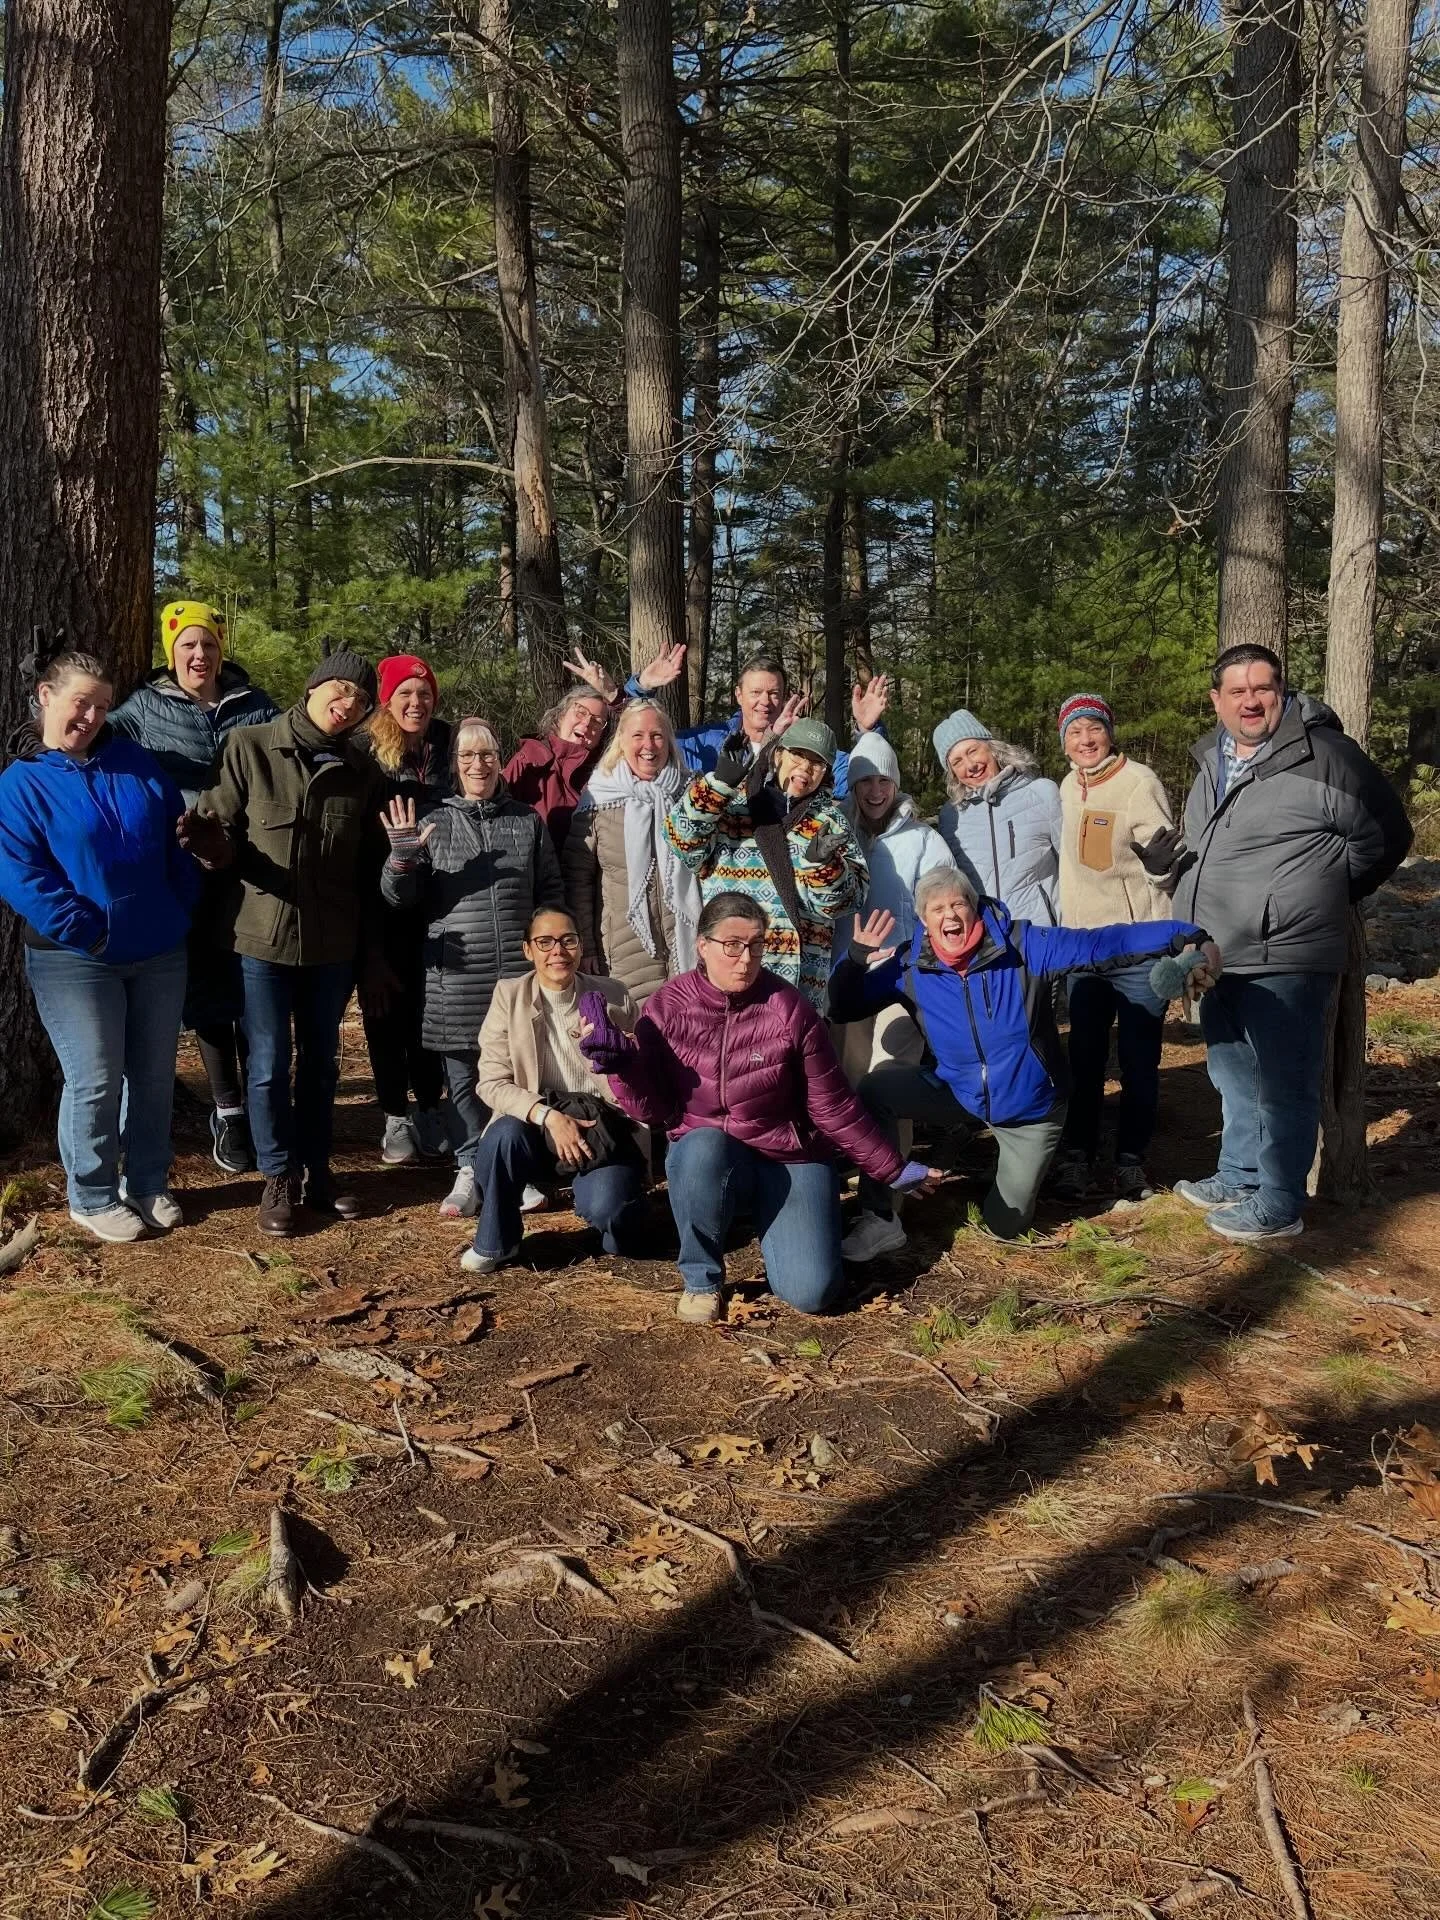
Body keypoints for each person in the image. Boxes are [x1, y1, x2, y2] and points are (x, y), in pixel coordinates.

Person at [578, 893, 935, 1321]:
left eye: (756, 945)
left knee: (812, 1293)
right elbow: (653, 1112)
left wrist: (893, 1168)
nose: (745, 959)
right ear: (703, 945)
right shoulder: (667, 1008)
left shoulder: (789, 1008)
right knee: (699, 1147)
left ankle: (786, 1221)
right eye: (732, 945)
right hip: (711, 1157)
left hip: (788, 1155)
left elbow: (833, 1104)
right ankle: (702, 1279)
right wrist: (620, 1067)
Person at [832, 867, 1219, 1253]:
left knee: (1005, 1226)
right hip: (959, 1091)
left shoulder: (1023, 945)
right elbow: (845, 1006)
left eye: (958, 904)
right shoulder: (909, 965)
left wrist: (1185, 935)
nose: (950, 915)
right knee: (877, 1090)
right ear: (924, 920)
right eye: (937, 909)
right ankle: (880, 1218)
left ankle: (1018, 1172)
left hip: (1030, 1108)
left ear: (974, 907)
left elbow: (1101, 944)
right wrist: (854, 959)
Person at [1171, 644, 1411, 1241]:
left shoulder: (1325, 755)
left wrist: (1319, 890)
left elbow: (1387, 835)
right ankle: (1239, 1174)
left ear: (1281, 692)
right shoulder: (1210, 759)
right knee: (1232, 1073)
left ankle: (1280, 1201)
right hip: (1217, 952)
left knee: (1284, 1082)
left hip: (1288, 951)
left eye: (1263, 688)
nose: (1251, 701)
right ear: (1217, 700)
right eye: (1237, 691)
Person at [0, 648, 203, 1242]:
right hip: (75, 959)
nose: (91, 717)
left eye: (102, 706)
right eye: (81, 703)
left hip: (159, 949)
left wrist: (178, 906)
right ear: (46, 697)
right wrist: (89, 930)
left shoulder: (134, 763)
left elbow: (176, 840)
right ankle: (90, 1194)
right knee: (95, 1076)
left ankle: (147, 1180)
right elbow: (22, 876)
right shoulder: (21, 784)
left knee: (153, 1075)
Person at [194, 650, 390, 1236]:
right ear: (312, 688)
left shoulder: (361, 771)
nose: (348, 704)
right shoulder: (251, 747)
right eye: (340, 690)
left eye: (360, 700)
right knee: (268, 1064)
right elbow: (215, 831)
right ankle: (278, 1176)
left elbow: (370, 870)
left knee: (322, 1066)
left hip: (332, 946)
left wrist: (371, 953)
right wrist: (212, 848)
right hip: (262, 939)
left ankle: (317, 1171)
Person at [110, 600, 279, 1174]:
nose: (200, 654)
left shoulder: (254, 705)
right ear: (171, 652)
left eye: (208, 643)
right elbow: (93, 742)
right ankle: (228, 1111)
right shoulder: (143, 708)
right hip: (184, 870)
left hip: (252, 866)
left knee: (256, 987)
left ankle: (263, 1106)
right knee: (207, 991)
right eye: (188, 645)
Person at [379, 718, 564, 1221]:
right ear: (455, 764)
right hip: (454, 978)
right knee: (462, 1080)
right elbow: (398, 899)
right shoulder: (433, 820)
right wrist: (401, 859)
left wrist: (550, 951)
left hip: (518, 979)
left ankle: (511, 1167)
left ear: (499, 761)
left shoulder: (526, 822)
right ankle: (467, 1168)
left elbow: (550, 891)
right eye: (467, 755)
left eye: (487, 754)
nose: (478, 764)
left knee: (517, 1074)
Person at [461, 906, 649, 1273]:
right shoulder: (509, 996)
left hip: (601, 1126)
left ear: (581, 946)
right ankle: (497, 1241)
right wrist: (549, 1116)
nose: (558, 951)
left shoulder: (613, 994)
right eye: (544, 942)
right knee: (502, 1135)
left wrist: (624, 1052)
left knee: (619, 1229)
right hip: (536, 1123)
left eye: (568, 940)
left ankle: (621, 1207)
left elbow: (644, 1072)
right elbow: (491, 1082)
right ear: (528, 950)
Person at [1050, 692, 1185, 1203]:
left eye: (1094, 728)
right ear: (1064, 741)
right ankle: (1077, 1157)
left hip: (1137, 949)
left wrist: (1160, 870)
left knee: (1138, 1060)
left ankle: (1131, 1160)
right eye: (1075, 731)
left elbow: (1171, 860)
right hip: (1085, 950)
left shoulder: (1139, 782)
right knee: (1084, 1060)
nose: (1085, 740)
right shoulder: (1066, 787)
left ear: (1110, 732)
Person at [664, 716, 867, 1008]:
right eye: (798, 755)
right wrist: (719, 784)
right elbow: (682, 843)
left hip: (799, 982)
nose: (805, 768)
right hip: (730, 964)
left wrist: (824, 867)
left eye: (817, 763)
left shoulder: (831, 822)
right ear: (779, 753)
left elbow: (849, 902)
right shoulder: (733, 804)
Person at [359, 652, 453, 1166]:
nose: (416, 702)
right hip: (380, 906)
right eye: (405, 694)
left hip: (438, 905)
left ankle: (431, 1107)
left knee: (429, 1009)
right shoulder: (367, 752)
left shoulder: (449, 745)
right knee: (385, 1012)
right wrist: (369, 951)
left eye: (424, 693)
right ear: (386, 700)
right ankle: (394, 1113)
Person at [563, 698, 703, 1007]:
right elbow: (577, 880)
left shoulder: (693, 795)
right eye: (638, 735)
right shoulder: (599, 798)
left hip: (687, 945)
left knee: (688, 1028)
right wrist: (585, 946)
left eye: (657, 735)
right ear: (622, 741)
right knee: (633, 1030)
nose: (648, 746)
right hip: (623, 950)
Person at [622, 644, 891, 800]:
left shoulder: (804, 749)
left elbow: (860, 777)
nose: (765, 701)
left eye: (773, 693)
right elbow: (639, 745)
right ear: (738, 695)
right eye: (756, 692)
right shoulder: (708, 741)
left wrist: (868, 732)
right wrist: (641, 690)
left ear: (783, 697)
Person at [833, 728, 951, 1084]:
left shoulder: (923, 839)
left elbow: (945, 906)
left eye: (884, 780)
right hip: (846, 975)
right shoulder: (835, 834)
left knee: (893, 1074)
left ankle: (893, 1125)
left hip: (901, 976)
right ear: (852, 785)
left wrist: (926, 962)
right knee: (848, 1075)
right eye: (865, 781)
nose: (875, 791)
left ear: (896, 784)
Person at [503, 644, 678, 856]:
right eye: (580, 712)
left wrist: (636, 688)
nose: (586, 724)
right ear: (560, 716)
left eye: (597, 721)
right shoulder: (529, 759)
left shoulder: (606, 772)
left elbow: (639, 734)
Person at [933, 710, 1061, 925]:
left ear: (993, 748)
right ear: (952, 772)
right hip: (987, 936)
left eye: (973, 751)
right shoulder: (951, 816)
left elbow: (1070, 867)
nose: (970, 765)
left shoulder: (1042, 793)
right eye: (957, 762)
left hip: (1042, 932)